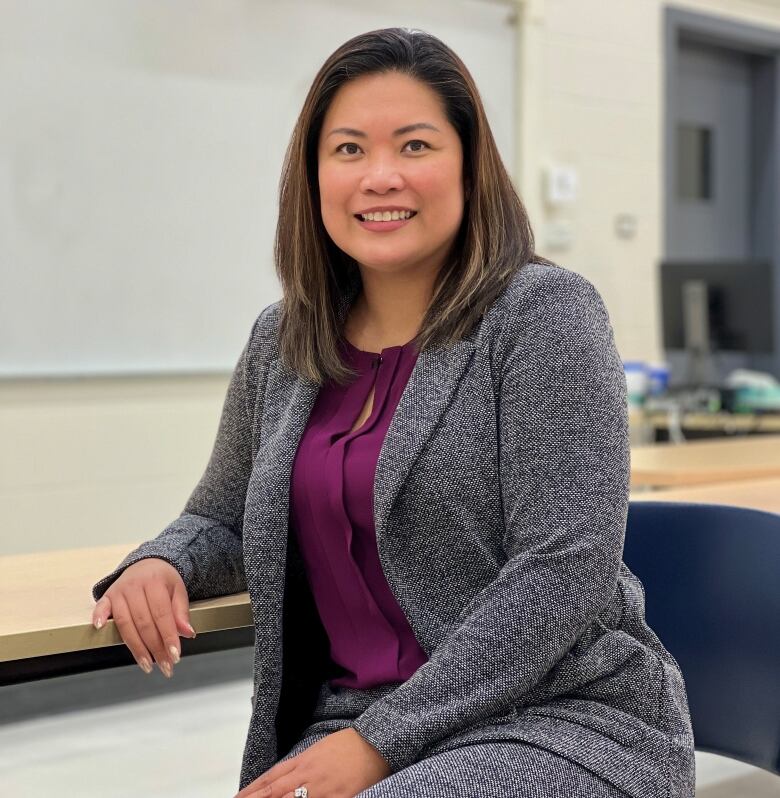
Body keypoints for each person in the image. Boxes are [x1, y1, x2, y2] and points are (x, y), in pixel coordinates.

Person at [90, 27, 695, 798]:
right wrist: (162, 558)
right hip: (346, 726)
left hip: (558, 718)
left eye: (414, 146)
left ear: (471, 167)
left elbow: (562, 572)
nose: (380, 176)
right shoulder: (282, 339)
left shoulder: (545, 317)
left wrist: (379, 743)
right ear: (313, 176)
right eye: (348, 150)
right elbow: (226, 516)